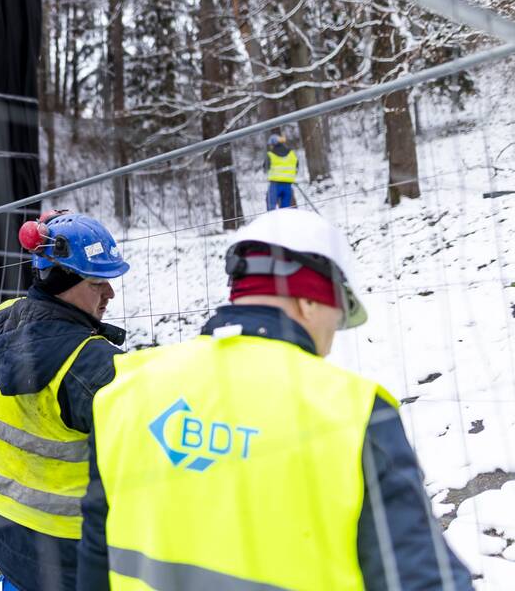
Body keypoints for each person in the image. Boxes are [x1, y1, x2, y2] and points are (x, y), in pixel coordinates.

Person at [77, 208, 472, 591]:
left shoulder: (128, 388)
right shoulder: (350, 412)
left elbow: (96, 552)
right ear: (311, 301)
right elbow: (421, 577)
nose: (332, 341)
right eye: (338, 317)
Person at [0, 210, 131, 591]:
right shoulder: (94, 365)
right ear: (63, 280)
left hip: (6, 525)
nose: (109, 293)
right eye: (98, 283)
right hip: (73, 547)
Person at [265, 133, 298, 210]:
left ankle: (272, 221)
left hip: (275, 184)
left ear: (273, 144)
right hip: (288, 185)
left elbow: (265, 167)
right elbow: (296, 165)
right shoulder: (291, 154)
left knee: (271, 206)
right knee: (285, 209)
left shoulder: (270, 155)